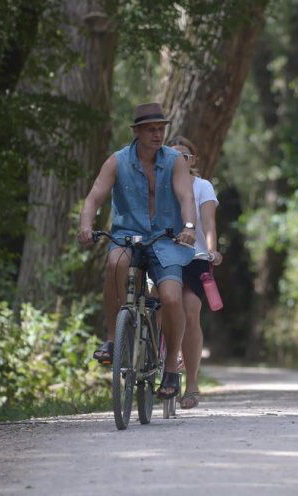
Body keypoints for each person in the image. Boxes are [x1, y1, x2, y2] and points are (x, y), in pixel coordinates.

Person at [77, 102, 197, 400]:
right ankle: (112, 339)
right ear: (138, 132)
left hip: (166, 239)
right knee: (114, 262)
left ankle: (170, 370)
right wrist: (86, 226)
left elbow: (185, 197)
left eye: (161, 129)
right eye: (152, 129)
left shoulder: (174, 161)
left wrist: (190, 226)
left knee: (170, 297)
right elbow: (94, 198)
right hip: (127, 236)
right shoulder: (117, 162)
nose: (158, 135)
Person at [168, 136, 222, 410]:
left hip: (194, 256)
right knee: (158, 303)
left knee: (190, 309)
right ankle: (158, 358)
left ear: (193, 160)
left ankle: (191, 382)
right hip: (162, 254)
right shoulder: (159, 184)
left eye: (184, 156)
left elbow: (209, 223)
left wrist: (212, 249)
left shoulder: (202, 186)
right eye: (173, 155)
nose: (179, 160)